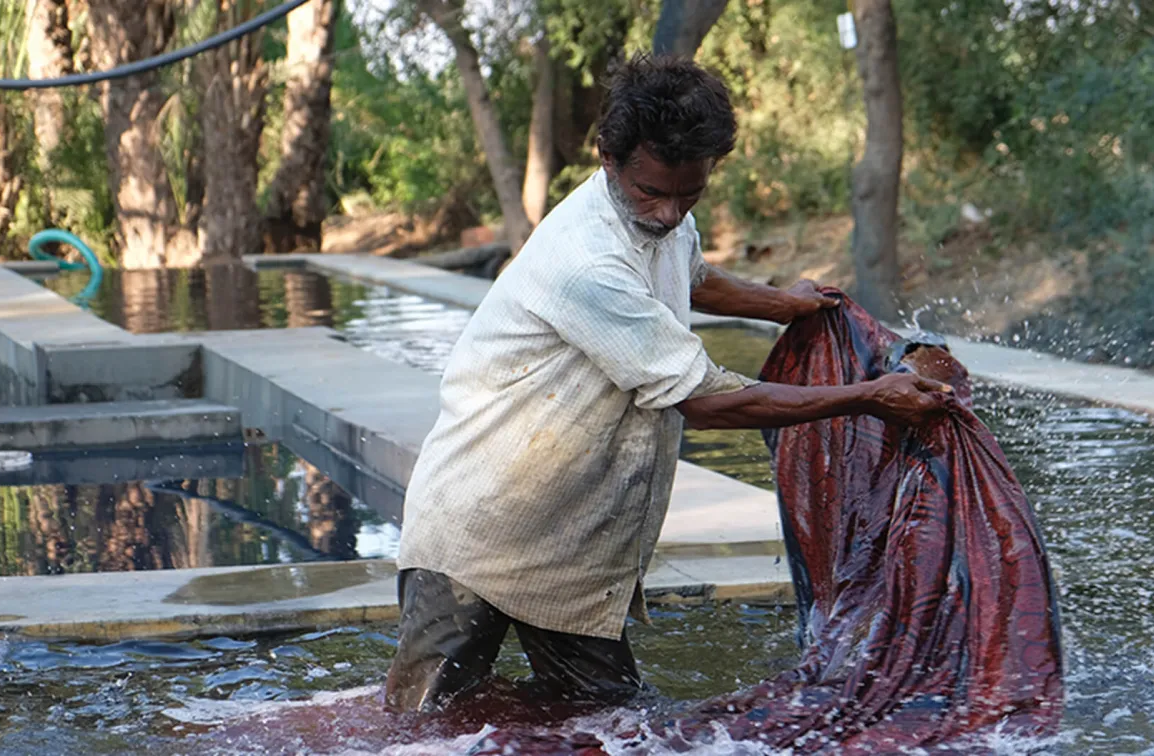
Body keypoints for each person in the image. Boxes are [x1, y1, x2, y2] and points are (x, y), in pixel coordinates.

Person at [384, 53, 949, 713]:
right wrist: (866, 399)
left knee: (613, 724)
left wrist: (781, 304)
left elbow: (693, 275)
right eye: (651, 192)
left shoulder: (661, 217)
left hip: (566, 549)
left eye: (690, 195)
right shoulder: (588, 261)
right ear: (608, 160)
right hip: (476, 538)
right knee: (422, 726)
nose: (670, 212)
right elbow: (704, 400)